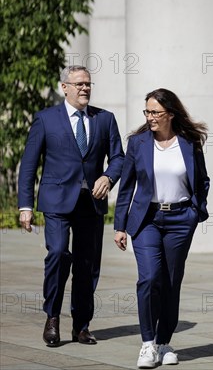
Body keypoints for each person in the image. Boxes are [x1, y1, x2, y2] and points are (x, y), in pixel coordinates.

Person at [17, 65, 124, 347]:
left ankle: (81, 326)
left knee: (87, 266)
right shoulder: (46, 119)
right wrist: (25, 205)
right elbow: (29, 166)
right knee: (58, 253)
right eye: (79, 84)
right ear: (64, 87)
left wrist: (108, 176)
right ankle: (52, 316)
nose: (85, 88)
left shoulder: (105, 119)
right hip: (56, 201)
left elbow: (119, 158)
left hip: (91, 204)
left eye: (88, 84)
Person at [113, 88, 210, 368]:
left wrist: (196, 211)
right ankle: (147, 344)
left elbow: (202, 180)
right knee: (149, 278)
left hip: (181, 219)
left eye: (155, 112)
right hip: (147, 219)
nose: (150, 117)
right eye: (148, 112)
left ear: (170, 113)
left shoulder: (189, 142)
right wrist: (120, 225)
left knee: (170, 281)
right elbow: (127, 186)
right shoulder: (138, 143)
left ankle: (164, 342)